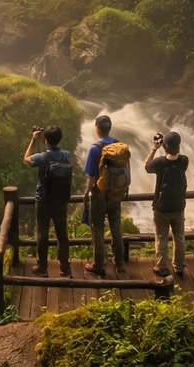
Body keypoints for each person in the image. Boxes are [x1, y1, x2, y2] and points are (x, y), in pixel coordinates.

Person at [22, 126, 75, 277]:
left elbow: (26, 159)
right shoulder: (67, 155)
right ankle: (64, 267)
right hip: (61, 200)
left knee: (42, 234)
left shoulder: (42, 157)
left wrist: (33, 140)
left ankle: (42, 267)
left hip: (43, 200)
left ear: (46, 140)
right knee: (62, 235)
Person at [145, 131, 190, 278]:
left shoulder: (159, 163)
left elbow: (146, 166)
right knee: (179, 236)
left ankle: (162, 267)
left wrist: (154, 148)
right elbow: (175, 157)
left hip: (162, 207)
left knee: (161, 236)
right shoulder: (184, 161)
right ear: (179, 146)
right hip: (178, 206)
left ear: (165, 146)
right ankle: (178, 266)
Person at [81, 114, 118, 275]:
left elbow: (92, 176)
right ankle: (120, 262)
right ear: (109, 128)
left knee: (98, 229)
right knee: (116, 227)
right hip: (116, 191)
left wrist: (86, 193)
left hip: (99, 193)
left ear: (97, 128)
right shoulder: (119, 145)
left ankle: (98, 264)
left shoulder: (95, 148)